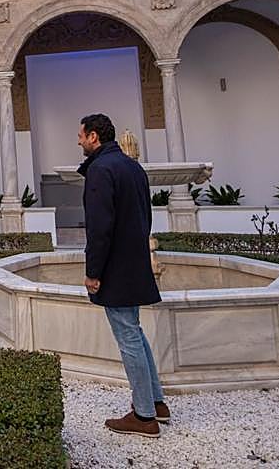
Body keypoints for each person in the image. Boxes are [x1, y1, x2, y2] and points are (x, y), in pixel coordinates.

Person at [78, 113, 170, 438]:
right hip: (133, 262)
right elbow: (146, 215)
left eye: (81, 135)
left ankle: (144, 417)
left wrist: (93, 272)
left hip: (115, 267)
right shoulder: (133, 167)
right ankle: (156, 402)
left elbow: (99, 228)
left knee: (128, 337)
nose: (78, 141)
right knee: (135, 332)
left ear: (93, 137)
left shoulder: (101, 170)